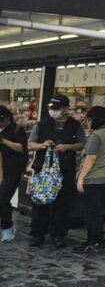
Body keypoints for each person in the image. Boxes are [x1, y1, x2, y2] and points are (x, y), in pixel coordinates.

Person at [27, 94, 85, 248]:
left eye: (57, 108)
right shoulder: (42, 125)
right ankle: (37, 234)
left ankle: (58, 235)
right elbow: (30, 145)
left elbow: (82, 145)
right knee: (40, 202)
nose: (53, 111)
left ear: (66, 109)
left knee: (61, 204)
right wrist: (42, 145)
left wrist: (67, 147)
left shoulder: (75, 126)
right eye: (51, 108)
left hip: (65, 170)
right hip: (43, 171)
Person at [75, 106, 105, 253]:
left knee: (90, 212)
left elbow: (91, 157)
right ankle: (98, 239)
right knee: (96, 210)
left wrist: (80, 178)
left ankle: (94, 241)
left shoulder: (97, 135)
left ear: (96, 119)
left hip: (95, 178)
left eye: (89, 119)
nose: (87, 123)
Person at [0, 105, 28, 242]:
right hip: (1, 169)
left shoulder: (17, 130)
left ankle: (7, 226)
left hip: (13, 170)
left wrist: (4, 141)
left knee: (3, 198)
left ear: (6, 118)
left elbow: (22, 148)